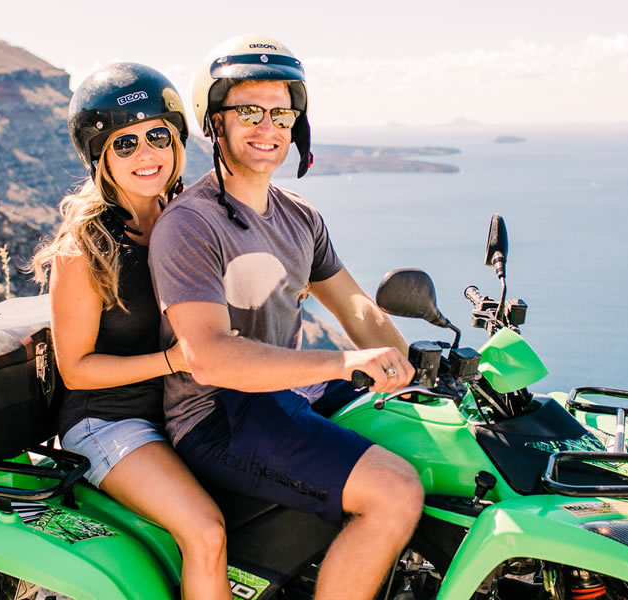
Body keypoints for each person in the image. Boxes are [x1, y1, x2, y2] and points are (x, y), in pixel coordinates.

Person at [149, 36, 424, 600]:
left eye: (281, 112)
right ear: (214, 121)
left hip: (285, 396)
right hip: (218, 415)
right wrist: (348, 361)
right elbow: (209, 357)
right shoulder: (191, 225)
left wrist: (411, 371)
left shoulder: (300, 217)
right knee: (395, 491)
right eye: (248, 111)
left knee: (429, 440)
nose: (267, 126)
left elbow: (355, 307)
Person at [31, 63, 230, 600]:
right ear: (100, 158)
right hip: (109, 421)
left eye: (157, 136)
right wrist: (176, 361)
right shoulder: (85, 249)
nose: (147, 155)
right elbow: (75, 368)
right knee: (206, 533)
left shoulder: (186, 220)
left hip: (179, 412)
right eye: (125, 144)